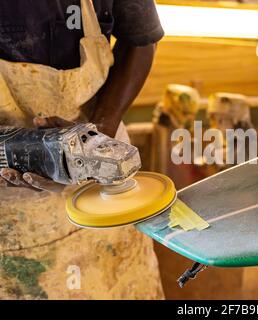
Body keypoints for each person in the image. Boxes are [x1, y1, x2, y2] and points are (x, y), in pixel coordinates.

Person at [0, 0, 165, 299]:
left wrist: (99, 132)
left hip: (105, 192)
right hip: (12, 227)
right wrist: (23, 150)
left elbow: (141, 41)